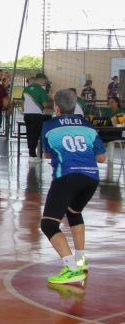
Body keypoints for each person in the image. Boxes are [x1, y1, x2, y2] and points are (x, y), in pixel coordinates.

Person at [40, 88, 106, 284]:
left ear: (57, 108)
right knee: (74, 212)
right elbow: (101, 158)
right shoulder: (88, 126)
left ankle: (71, 268)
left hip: (67, 177)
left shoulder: (49, 126)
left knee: (49, 224)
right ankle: (80, 259)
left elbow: (47, 154)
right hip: (91, 179)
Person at [22, 73, 52, 159]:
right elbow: (45, 105)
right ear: (41, 79)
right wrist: (52, 104)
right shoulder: (41, 90)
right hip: (36, 115)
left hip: (27, 115)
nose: (45, 82)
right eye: (44, 81)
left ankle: (30, 151)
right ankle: (32, 154)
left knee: (29, 133)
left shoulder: (26, 89)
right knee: (35, 134)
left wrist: (26, 110)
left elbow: (23, 104)